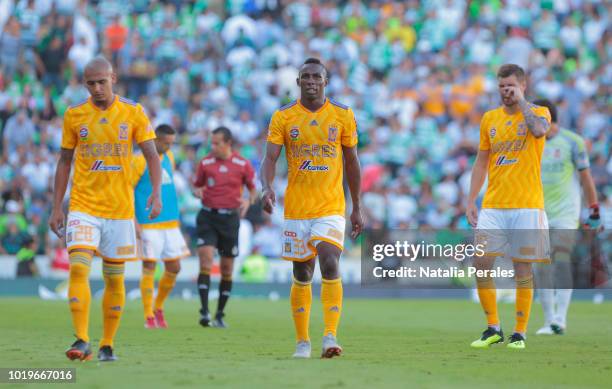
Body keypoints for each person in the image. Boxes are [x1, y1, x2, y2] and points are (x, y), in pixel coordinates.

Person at [48, 56, 162, 362]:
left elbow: (152, 155)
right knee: (79, 267)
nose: (97, 88)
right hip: (84, 205)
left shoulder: (133, 112)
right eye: (91, 83)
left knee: (114, 279)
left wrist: (156, 192)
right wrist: (57, 207)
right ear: (84, 84)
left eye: (102, 81)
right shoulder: (74, 115)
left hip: (119, 211)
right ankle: (82, 338)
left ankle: (107, 343)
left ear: (113, 78)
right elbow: (64, 161)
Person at [260, 57, 363, 359]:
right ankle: (302, 341)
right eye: (305, 77)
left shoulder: (342, 115)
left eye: (316, 77)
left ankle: (330, 336)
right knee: (302, 272)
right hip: (296, 209)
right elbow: (269, 159)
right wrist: (267, 188)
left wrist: (356, 206)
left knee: (329, 259)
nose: (310, 81)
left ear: (326, 81)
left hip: (331, 205)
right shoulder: (284, 117)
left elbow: (352, 162)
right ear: (298, 82)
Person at [466, 64, 551, 350]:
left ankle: (520, 332)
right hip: (493, 204)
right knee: (481, 263)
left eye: (511, 86)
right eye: (502, 86)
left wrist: (522, 103)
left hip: (526, 204)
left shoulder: (539, 113)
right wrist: (471, 200)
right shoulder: (489, 119)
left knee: (522, 269)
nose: (505, 91)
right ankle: (493, 327)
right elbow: (481, 162)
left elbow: (539, 132)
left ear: (523, 86)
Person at [533, 99, 601, 335]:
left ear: (548, 119)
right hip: (537, 213)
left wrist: (594, 209)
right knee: (540, 267)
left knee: (561, 258)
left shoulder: (573, 142)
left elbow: (586, 179)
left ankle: (560, 320)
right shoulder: (531, 142)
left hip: (565, 213)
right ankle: (549, 319)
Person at [193, 126, 257, 328]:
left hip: (230, 220)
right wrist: (197, 192)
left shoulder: (242, 164)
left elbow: (253, 189)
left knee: (227, 268)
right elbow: (196, 185)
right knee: (205, 259)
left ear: (228, 143)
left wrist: (248, 201)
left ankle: (220, 313)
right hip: (208, 216)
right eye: (211, 143)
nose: (213, 147)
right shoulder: (205, 163)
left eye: (216, 143)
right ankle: (204, 311)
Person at [133, 124, 190, 329]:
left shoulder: (170, 158)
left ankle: (158, 307)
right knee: (149, 266)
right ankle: (148, 314)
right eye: (165, 143)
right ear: (154, 139)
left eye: (171, 144)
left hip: (171, 222)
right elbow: (127, 190)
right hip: (148, 222)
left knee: (175, 267)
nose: (168, 147)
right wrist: (134, 221)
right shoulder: (138, 161)